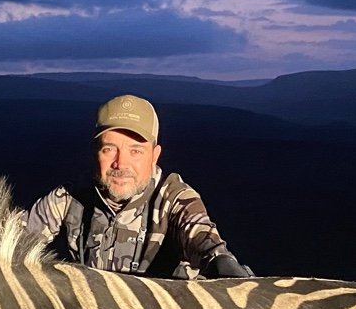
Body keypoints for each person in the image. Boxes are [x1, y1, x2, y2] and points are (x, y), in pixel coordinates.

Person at [26, 94, 251, 279]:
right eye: (109, 149)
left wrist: (221, 261)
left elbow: (201, 236)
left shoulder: (174, 198)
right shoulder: (70, 197)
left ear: (155, 156)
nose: (120, 163)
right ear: (96, 153)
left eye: (135, 151)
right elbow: (17, 237)